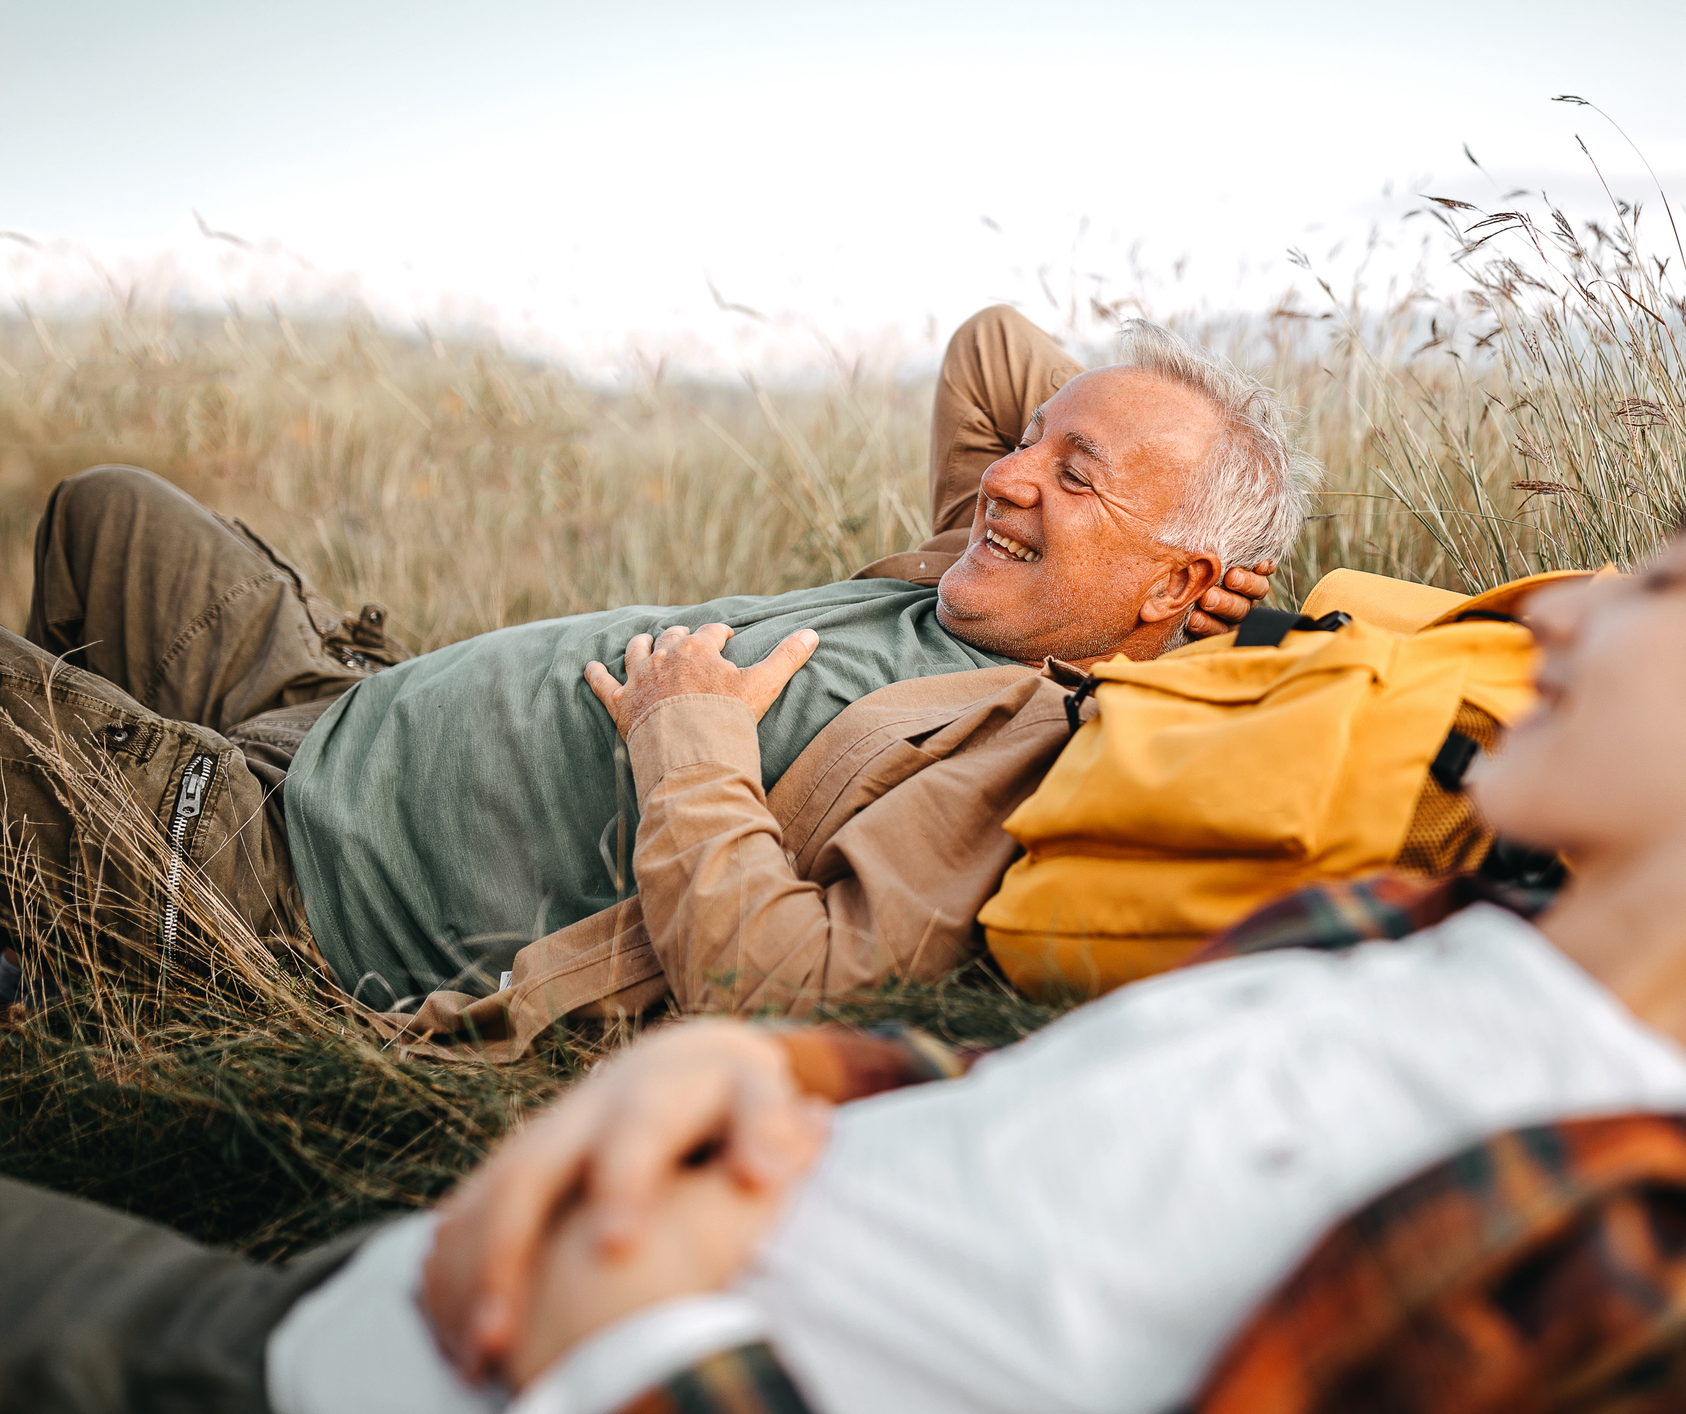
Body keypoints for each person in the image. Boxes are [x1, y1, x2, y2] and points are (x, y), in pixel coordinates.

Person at [7, 336, 1686, 1414]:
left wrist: (644, 1347)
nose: (1551, 614)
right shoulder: (1401, 938)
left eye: (1675, 573)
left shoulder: (1674, 1280)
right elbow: (1029, 1131)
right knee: (107, 515)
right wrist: (777, 1077)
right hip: (371, 1291)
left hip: (338, 1345)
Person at [0, 310, 1302, 1015]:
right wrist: (1176, 577)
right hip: (334, 716)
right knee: (109, 513)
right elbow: (994, 348)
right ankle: (56, 944)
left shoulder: (1021, 756)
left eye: (1073, 474)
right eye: (1028, 443)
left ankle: (110, 951)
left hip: (294, 876)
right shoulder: (987, 572)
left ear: (1169, 579)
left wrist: (692, 744)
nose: (1009, 478)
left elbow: (776, 983)